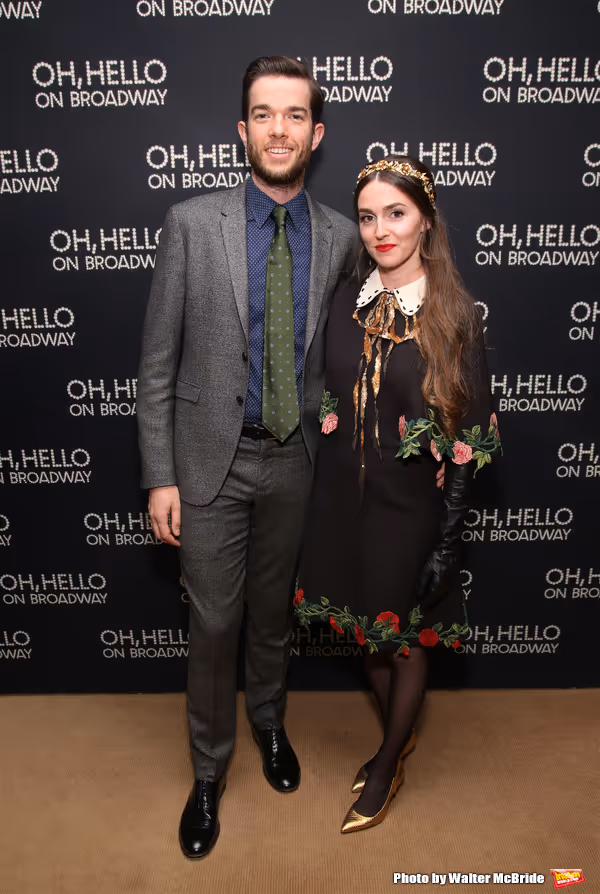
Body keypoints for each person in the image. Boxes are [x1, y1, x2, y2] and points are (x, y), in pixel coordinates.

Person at [136, 56, 357, 859]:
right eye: (263, 114)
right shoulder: (192, 224)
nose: (278, 129)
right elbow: (158, 363)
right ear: (242, 130)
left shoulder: (339, 237)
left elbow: (368, 343)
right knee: (214, 622)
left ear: (316, 133)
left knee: (272, 618)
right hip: (207, 466)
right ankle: (208, 769)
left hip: (294, 462)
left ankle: (268, 724)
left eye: (294, 115)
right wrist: (160, 473)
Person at [295, 156, 501, 834]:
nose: (380, 230)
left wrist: (448, 539)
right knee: (367, 634)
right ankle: (400, 738)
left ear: (425, 220)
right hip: (338, 505)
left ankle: (386, 762)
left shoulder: (455, 317)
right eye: (368, 216)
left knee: (403, 643)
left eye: (397, 213)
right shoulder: (343, 301)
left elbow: (469, 433)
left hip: (409, 511)